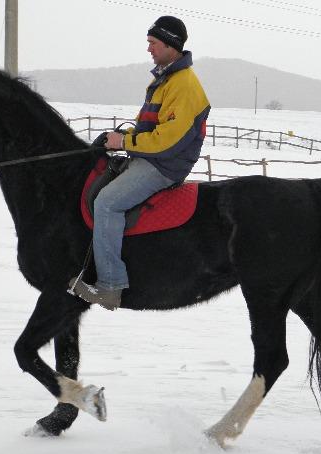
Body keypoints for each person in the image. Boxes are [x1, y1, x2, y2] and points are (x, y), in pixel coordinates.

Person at [70, 15, 211, 310]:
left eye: (153, 43)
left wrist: (125, 143)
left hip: (164, 165)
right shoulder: (164, 79)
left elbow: (168, 140)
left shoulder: (184, 85)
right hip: (151, 156)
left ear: (171, 44)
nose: (149, 49)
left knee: (107, 202)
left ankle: (110, 286)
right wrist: (122, 136)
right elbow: (151, 129)